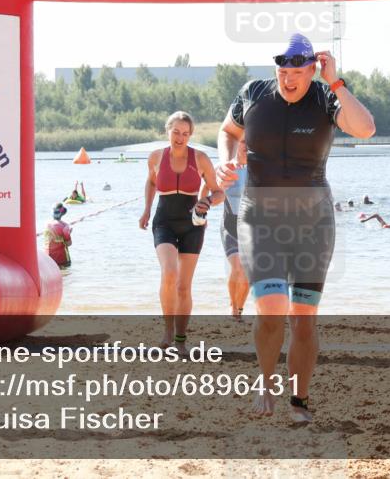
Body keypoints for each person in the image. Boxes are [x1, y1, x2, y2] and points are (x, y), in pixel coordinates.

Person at [215, 33, 376, 423]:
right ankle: (266, 383)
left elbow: (365, 129)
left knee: (303, 316)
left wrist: (336, 81)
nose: (288, 80)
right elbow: (228, 131)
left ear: (312, 71)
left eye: (297, 74)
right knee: (271, 308)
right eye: (282, 73)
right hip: (260, 219)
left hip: (312, 223)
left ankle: (299, 399)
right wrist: (224, 161)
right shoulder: (254, 93)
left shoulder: (325, 98)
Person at [140, 111, 224, 349]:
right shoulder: (156, 157)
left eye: (185, 134)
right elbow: (152, 182)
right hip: (164, 222)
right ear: (167, 131)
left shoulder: (200, 159)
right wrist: (146, 210)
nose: (180, 137)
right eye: (176, 132)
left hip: (192, 225)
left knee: (183, 286)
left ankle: (180, 339)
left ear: (190, 135)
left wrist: (207, 201)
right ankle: (167, 332)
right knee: (169, 272)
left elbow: (219, 192)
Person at [220, 139, 250, 320]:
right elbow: (208, 187)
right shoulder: (227, 167)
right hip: (229, 225)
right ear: (236, 144)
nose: (247, 145)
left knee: (246, 272)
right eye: (244, 141)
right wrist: (201, 210)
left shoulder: (258, 169)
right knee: (237, 267)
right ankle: (232, 306)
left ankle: (239, 308)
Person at [43, 202, 73, 268]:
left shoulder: (46, 224)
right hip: (61, 259)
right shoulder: (65, 226)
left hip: (48, 258)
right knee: (65, 273)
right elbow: (69, 243)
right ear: (62, 214)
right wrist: (69, 233)